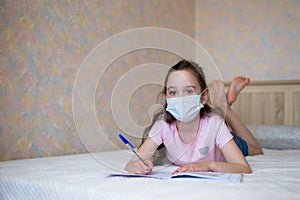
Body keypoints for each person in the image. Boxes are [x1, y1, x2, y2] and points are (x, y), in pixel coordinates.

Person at [125, 59, 262, 175]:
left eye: (188, 91)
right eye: (173, 92)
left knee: (256, 150)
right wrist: (136, 166)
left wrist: (209, 166)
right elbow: (131, 163)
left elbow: (244, 168)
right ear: (166, 96)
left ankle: (225, 107)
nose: (180, 98)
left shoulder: (215, 124)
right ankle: (222, 106)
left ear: (203, 97)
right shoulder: (162, 125)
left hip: (219, 145)